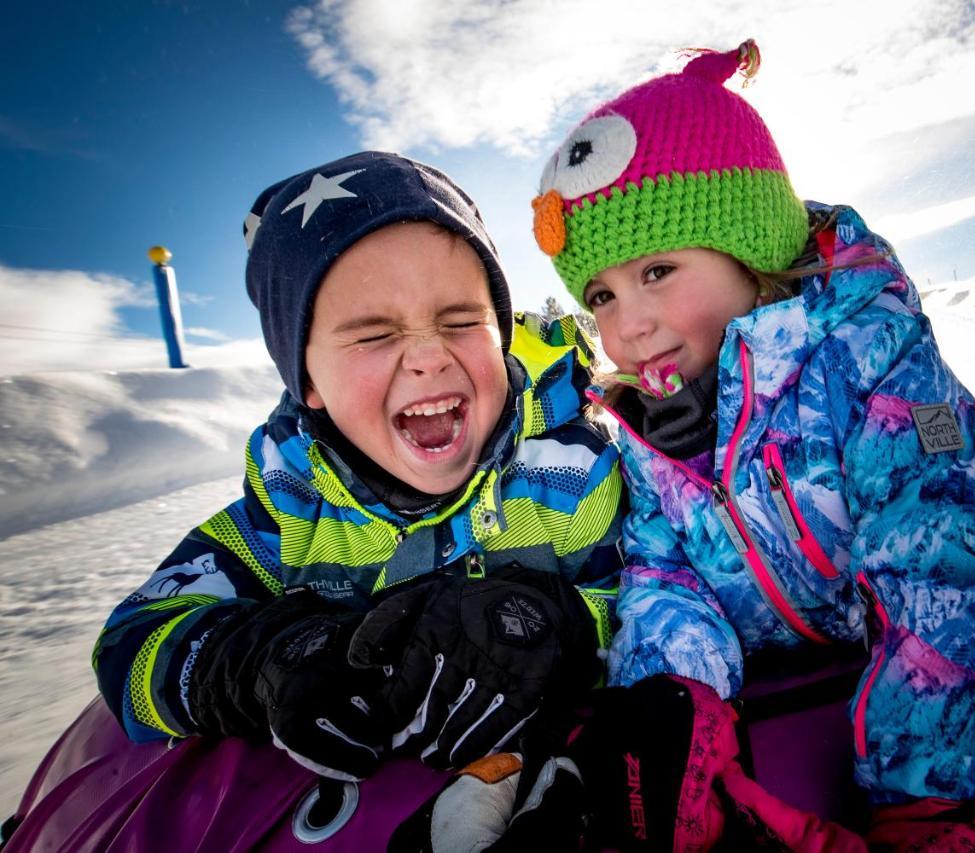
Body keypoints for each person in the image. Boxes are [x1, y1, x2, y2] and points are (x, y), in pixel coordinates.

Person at [524, 40, 975, 849]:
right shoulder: (643, 428)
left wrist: (940, 793)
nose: (627, 325)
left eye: (657, 271)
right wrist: (674, 705)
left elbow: (940, 539)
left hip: (907, 628)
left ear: (754, 248)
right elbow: (664, 570)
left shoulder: (869, 355)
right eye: (602, 294)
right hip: (782, 642)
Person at [93, 151, 625, 783]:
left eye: (460, 320)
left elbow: (645, 607)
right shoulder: (291, 507)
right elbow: (131, 643)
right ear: (307, 381)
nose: (429, 355)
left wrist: (549, 625)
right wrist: (264, 659)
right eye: (373, 334)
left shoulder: (568, 474)